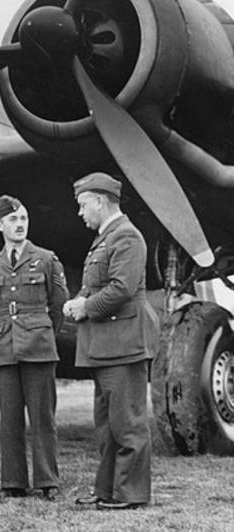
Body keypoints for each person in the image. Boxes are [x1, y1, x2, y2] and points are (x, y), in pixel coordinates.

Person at [63, 173, 160, 511]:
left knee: (127, 424)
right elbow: (100, 284)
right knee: (107, 426)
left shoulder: (126, 237)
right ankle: (106, 490)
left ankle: (130, 493)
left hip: (122, 345)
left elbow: (121, 288)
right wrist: (79, 300)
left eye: (83, 205)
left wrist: (86, 307)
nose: (80, 212)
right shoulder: (108, 238)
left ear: (100, 201)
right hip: (106, 346)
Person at [0, 195, 68, 500]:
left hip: (38, 347)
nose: (19, 225)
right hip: (4, 347)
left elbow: (58, 304)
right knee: (9, 418)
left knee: (42, 417)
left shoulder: (46, 259)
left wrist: (41, 332)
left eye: (23, 219)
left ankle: (47, 481)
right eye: (13, 220)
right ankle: (13, 481)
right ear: (0, 225)